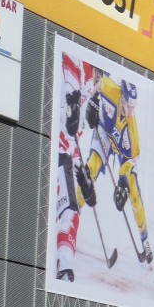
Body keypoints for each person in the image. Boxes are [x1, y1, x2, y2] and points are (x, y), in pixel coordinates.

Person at [85, 71, 154, 263]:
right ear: (121, 98)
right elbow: (99, 84)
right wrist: (93, 100)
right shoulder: (111, 89)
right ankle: (72, 214)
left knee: (134, 193)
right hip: (106, 133)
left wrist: (122, 183)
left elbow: (131, 160)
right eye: (128, 106)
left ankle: (145, 240)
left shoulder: (132, 132)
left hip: (124, 153)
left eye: (134, 107)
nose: (131, 112)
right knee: (90, 169)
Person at [53, 53, 97, 282]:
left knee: (71, 211)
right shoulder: (72, 63)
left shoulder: (88, 80)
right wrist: (68, 109)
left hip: (65, 157)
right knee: (66, 211)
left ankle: (64, 265)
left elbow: (76, 139)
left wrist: (83, 177)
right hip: (50, 149)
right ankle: (62, 264)